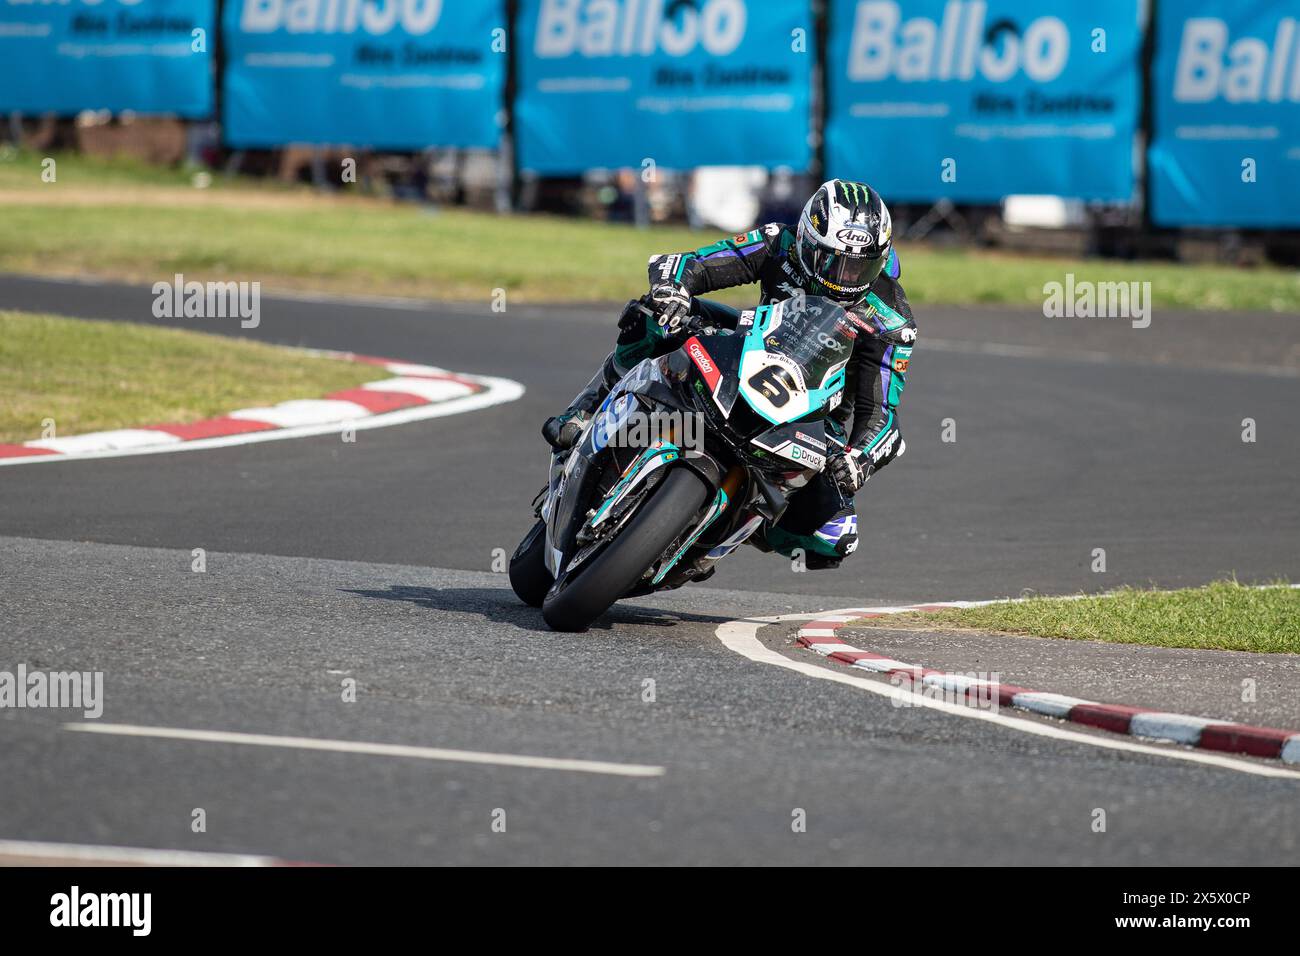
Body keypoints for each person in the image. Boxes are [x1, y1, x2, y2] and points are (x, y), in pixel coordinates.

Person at [542, 179, 917, 570]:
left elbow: (882, 413)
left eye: (861, 266)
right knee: (651, 318)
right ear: (807, 239)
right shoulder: (778, 242)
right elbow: (691, 263)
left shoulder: (893, 320)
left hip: (818, 416)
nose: (846, 278)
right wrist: (673, 291)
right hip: (751, 353)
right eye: (834, 261)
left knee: (834, 537)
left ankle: (726, 532)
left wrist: (860, 458)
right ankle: (585, 409)